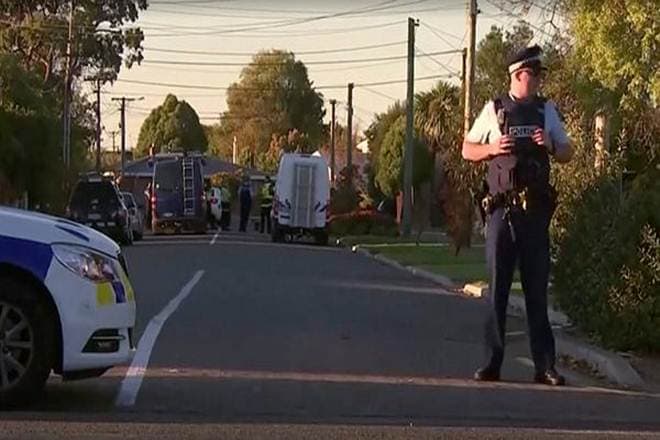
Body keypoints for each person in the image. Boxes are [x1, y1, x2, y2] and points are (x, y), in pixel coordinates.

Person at [462, 45, 573, 386]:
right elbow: (467, 149)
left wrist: (551, 145)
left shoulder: (546, 110)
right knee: (497, 290)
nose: (539, 80)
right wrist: (492, 148)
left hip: (535, 213)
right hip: (501, 213)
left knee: (536, 289)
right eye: (534, 74)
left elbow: (568, 151)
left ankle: (545, 366)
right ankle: (492, 363)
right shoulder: (494, 109)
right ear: (519, 75)